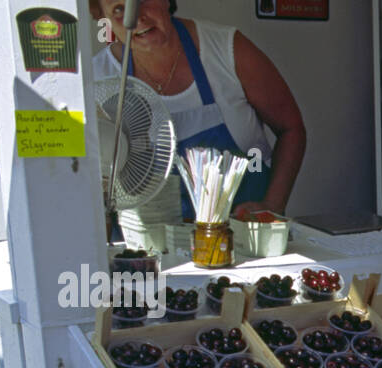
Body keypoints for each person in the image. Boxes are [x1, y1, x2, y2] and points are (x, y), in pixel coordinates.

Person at [92, 0, 306, 220]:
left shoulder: (226, 49)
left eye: (144, 0)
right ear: (101, 16)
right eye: (119, 9)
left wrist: (272, 205)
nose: (137, 17)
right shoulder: (97, 81)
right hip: (148, 247)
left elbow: (291, 129)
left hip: (244, 237)